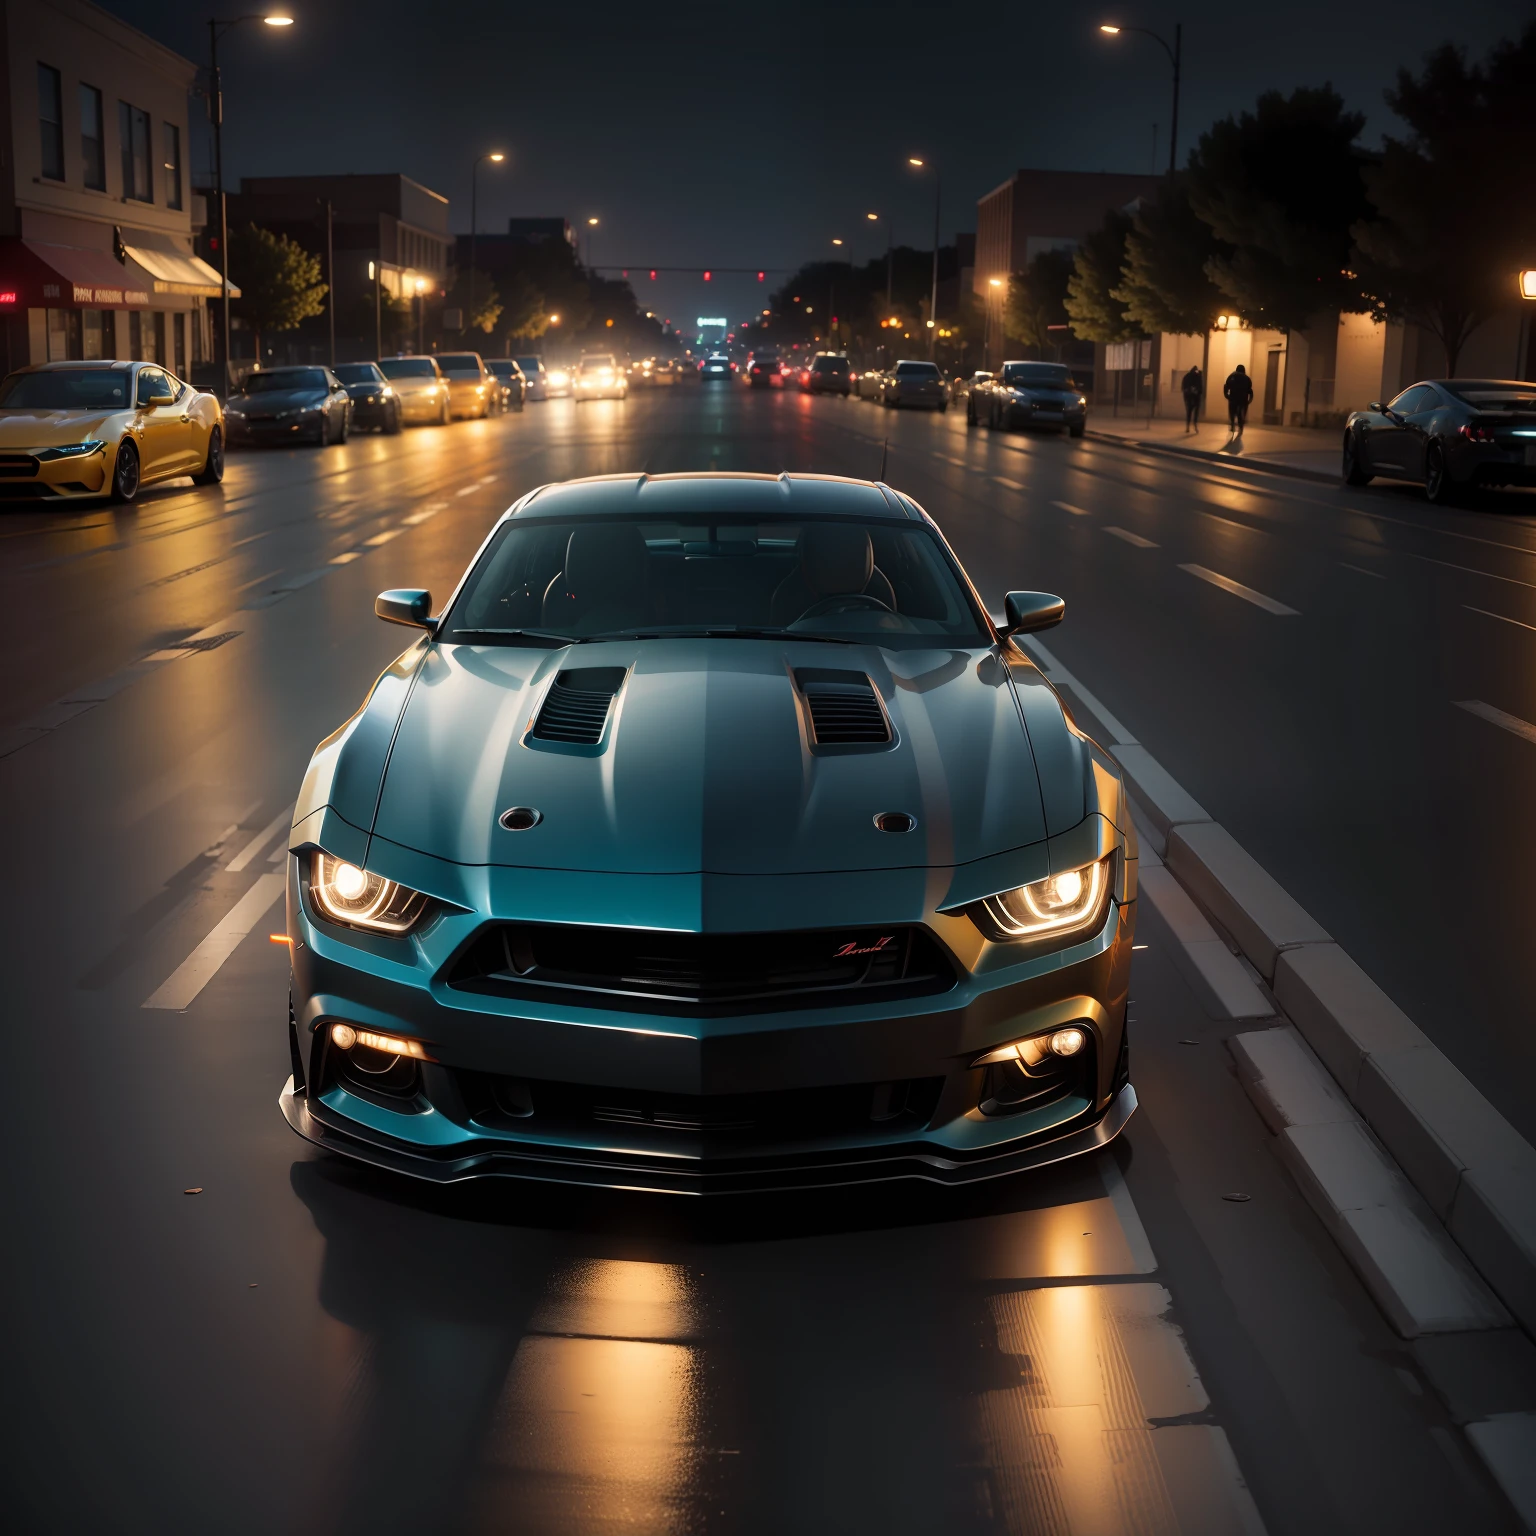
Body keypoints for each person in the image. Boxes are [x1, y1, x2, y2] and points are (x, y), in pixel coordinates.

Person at [1223, 364, 1254, 434]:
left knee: (1232, 412)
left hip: (1233, 398)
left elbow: (1226, 386)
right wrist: (1249, 400)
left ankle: (1232, 425)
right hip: (1243, 399)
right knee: (1241, 413)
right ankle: (1240, 426)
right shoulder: (1247, 378)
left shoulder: (1232, 376)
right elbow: (1250, 390)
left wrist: (1227, 395)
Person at [1180, 365, 1203, 432]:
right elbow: (1201, 387)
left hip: (1189, 397)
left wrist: (1189, 392)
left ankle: (1188, 427)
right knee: (1195, 412)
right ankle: (1194, 426)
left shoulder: (1187, 376)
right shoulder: (1198, 377)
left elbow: (1183, 388)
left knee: (1189, 412)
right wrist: (1196, 391)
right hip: (1194, 397)